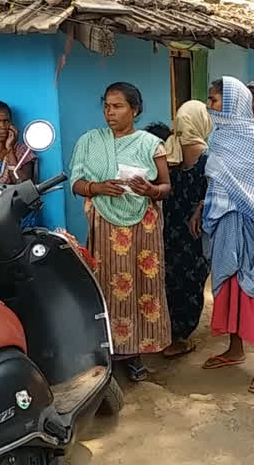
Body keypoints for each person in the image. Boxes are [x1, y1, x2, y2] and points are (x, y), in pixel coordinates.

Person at [69, 82, 172, 381]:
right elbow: (76, 182)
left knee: (141, 286)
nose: (110, 112)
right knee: (108, 286)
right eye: (106, 106)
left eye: (117, 106)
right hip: (105, 225)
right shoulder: (90, 141)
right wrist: (96, 188)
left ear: (135, 110)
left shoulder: (150, 144)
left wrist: (151, 189)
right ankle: (109, 352)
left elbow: (166, 187)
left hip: (142, 227)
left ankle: (136, 352)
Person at [200, 77, 254, 395]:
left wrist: (250, 205)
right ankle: (235, 348)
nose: (211, 105)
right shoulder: (218, 136)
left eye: (216, 100)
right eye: (209, 99)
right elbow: (216, 182)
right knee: (229, 285)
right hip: (225, 222)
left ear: (234, 101)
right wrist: (201, 210)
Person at [161, 101, 213, 358]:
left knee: (170, 279)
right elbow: (217, 193)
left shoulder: (169, 150)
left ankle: (167, 332)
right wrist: (202, 205)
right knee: (192, 281)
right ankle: (179, 336)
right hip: (196, 231)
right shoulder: (209, 157)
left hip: (169, 228)